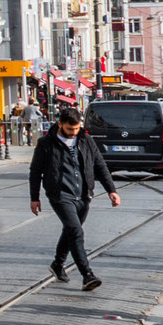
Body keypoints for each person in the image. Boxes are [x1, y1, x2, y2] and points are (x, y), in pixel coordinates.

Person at [28, 105, 120, 290]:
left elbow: (99, 165)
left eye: (77, 129)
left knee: (71, 231)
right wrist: (34, 197)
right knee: (75, 231)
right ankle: (87, 275)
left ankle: (57, 264)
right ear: (60, 124)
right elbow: (35, 171)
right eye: (70, 129)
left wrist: (112, 190)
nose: (74, 132)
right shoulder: (46, 143)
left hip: (83, 194)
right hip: (60, 194)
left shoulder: (85, 140)